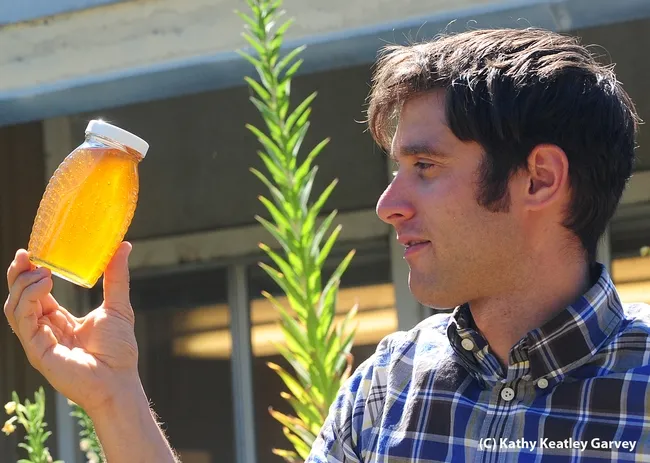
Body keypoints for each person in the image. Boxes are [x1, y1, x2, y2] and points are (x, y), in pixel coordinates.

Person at [3, 26, 649, 462]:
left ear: (539, 179)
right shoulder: (386, 390)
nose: (388, 204)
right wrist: (114, 394)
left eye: (425, 167)